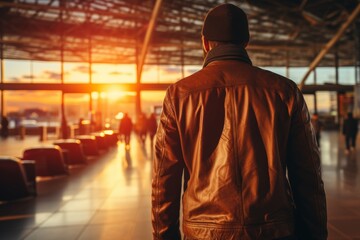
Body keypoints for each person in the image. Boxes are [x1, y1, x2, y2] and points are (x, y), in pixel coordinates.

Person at [151, 3, 327, 240]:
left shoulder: (180, 95)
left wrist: (165, 236)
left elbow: (164, 181)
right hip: (274, 230)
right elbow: (308, 176)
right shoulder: (284, 92)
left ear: (204, 43)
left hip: (204, 233)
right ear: (246, 42)